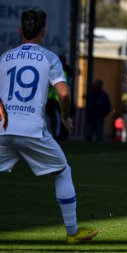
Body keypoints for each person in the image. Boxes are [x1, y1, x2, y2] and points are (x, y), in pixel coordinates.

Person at [0, 9, 98, 243]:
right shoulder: (49, 57)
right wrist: (65, 116)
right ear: (43, 33)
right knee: (62, 171)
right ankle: (72, 233)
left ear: (20, 31)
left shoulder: (4, 58)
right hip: (33, 130)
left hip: (3, 129)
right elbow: (64, 93)